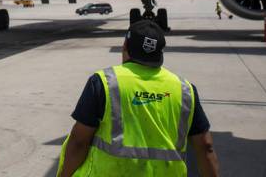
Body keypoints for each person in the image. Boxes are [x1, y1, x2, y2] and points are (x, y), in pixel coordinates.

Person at [57, 20, 219, 177]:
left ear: (125, 46)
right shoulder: (185, 89)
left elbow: (79, 143)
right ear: (159, 53)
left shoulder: (104, 82)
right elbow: (205, 147)